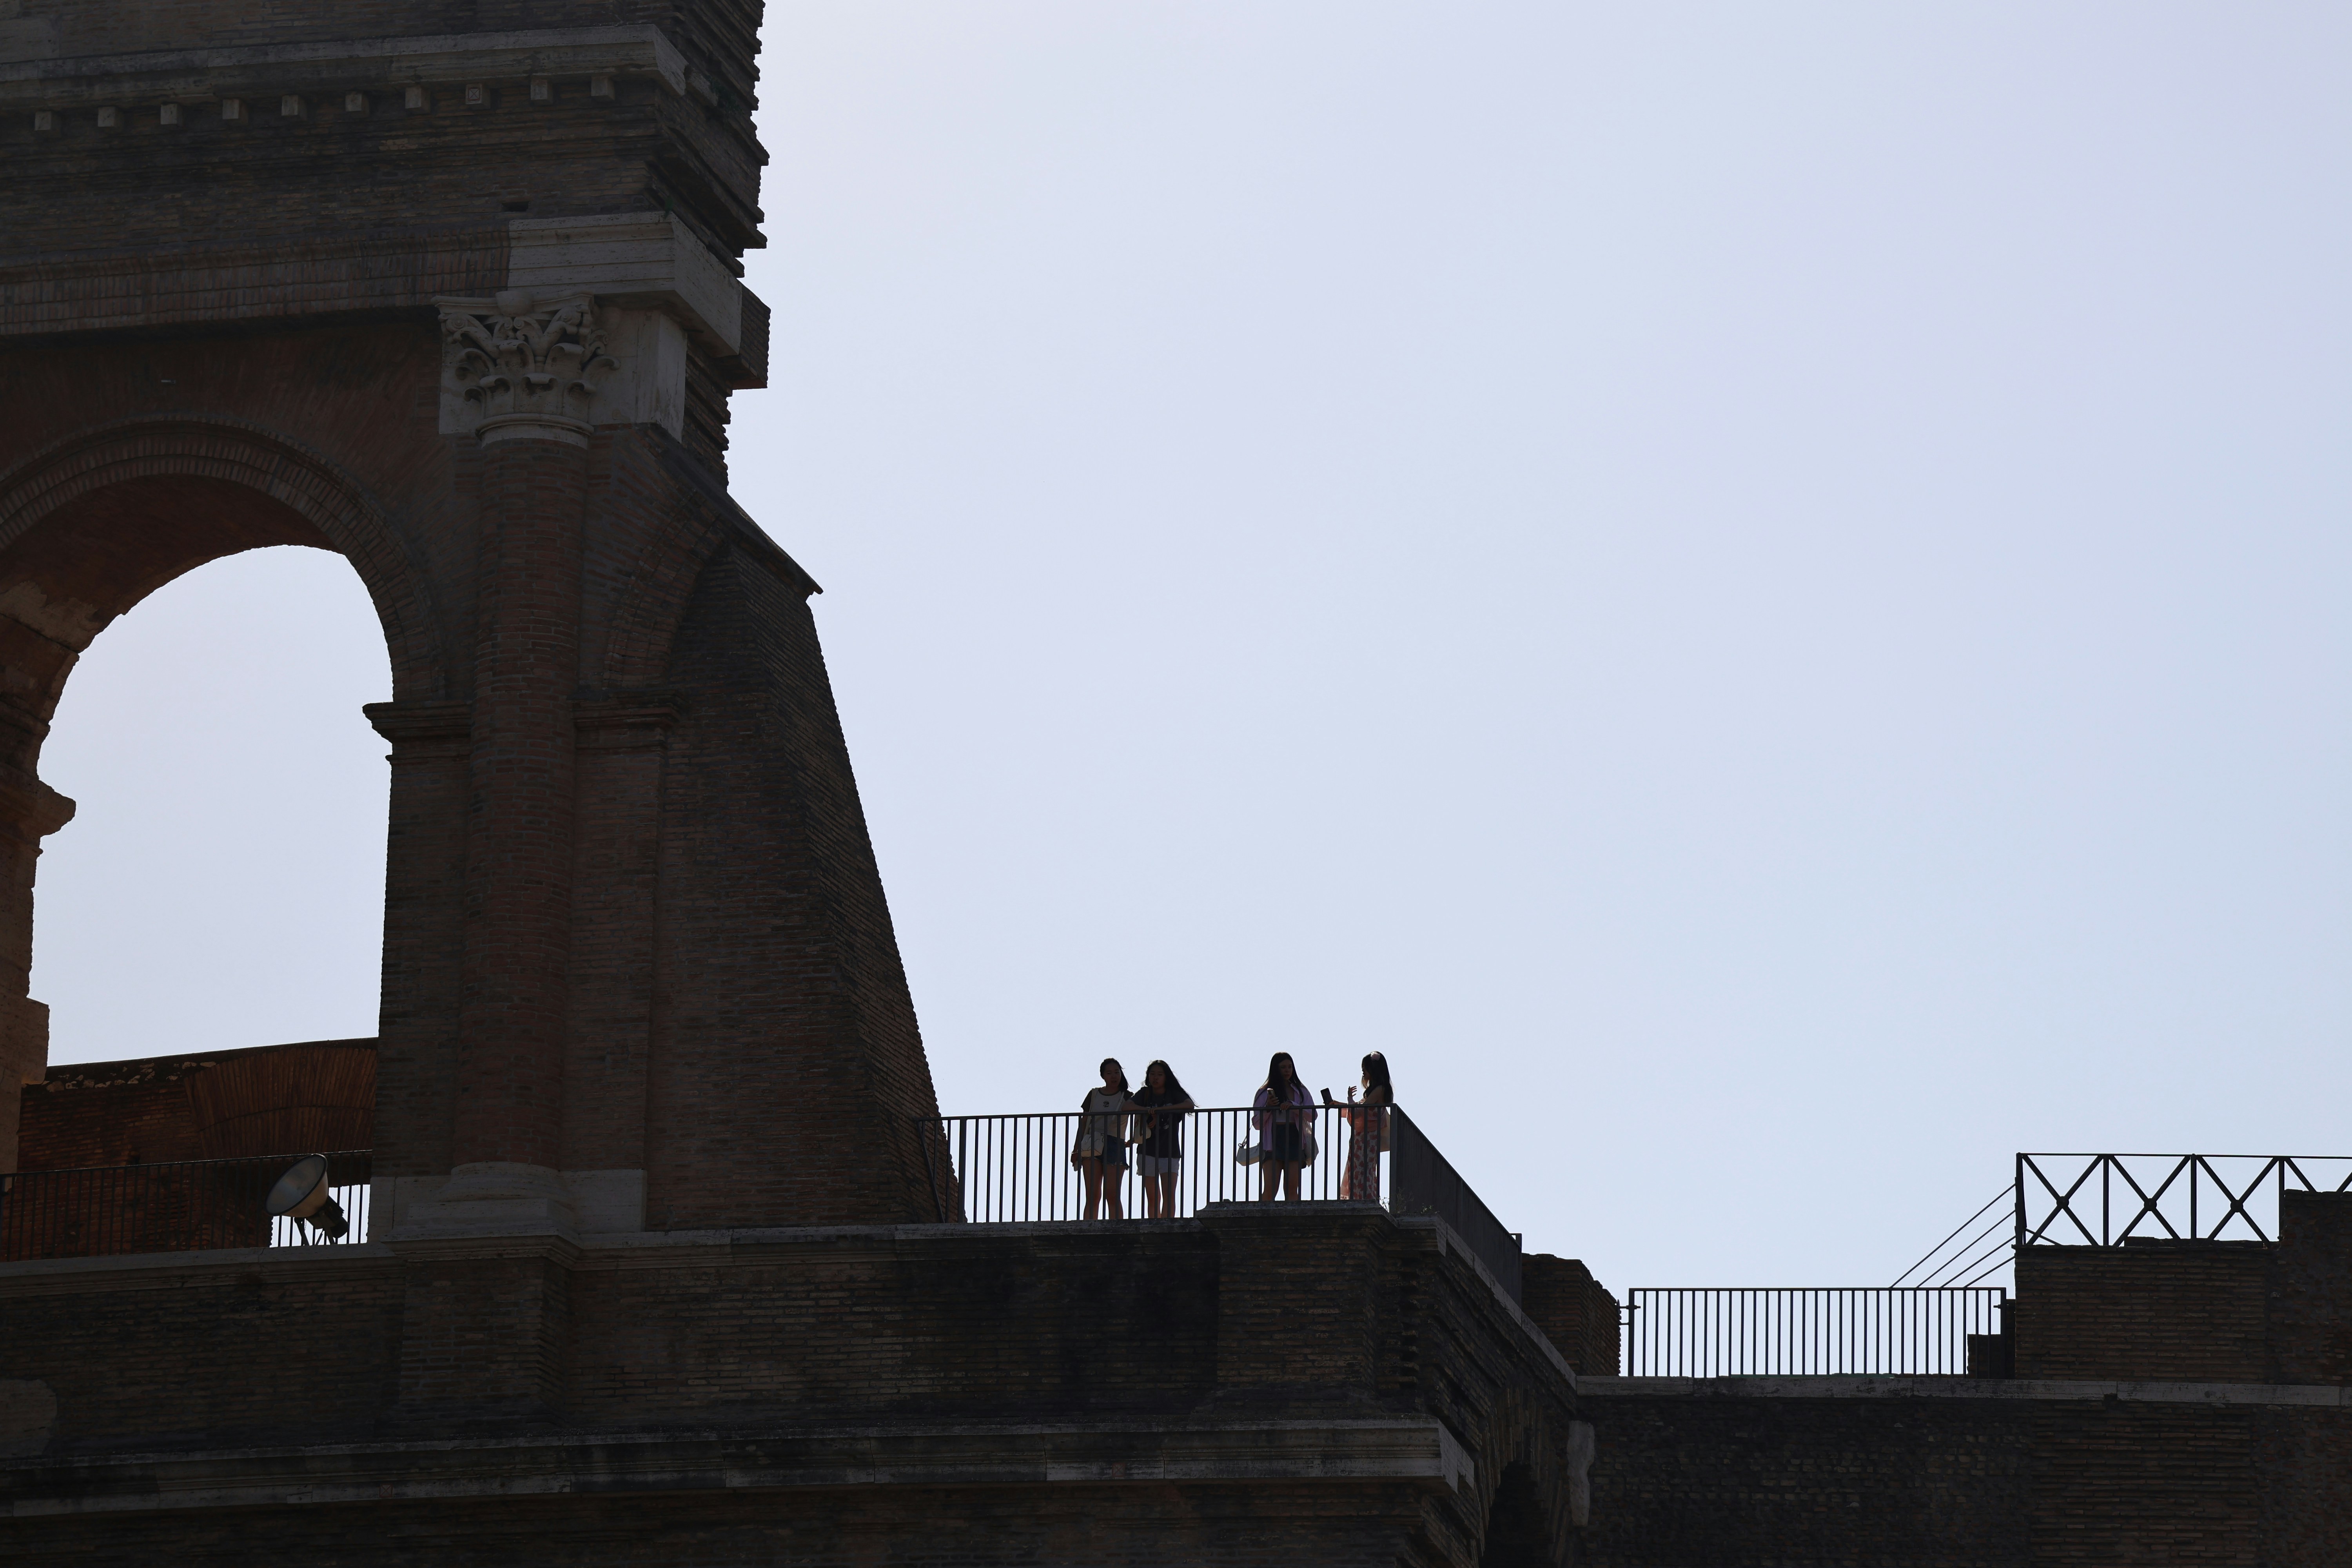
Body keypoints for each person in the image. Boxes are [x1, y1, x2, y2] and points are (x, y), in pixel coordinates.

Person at [1323, 1051, 1393, 1202]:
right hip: (1363, 1137)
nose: (1363, 1070)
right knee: (1358, 1170)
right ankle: (1360, 1199)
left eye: (1365, 1067)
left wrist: (1349, 1099)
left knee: (1364, 1170)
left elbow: (1360, 1110)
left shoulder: (1380, 1089)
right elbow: (1359, 1108)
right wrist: (1338, 1104)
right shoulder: (1376, 1090)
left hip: (1368, 1137)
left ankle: (1365, 1200)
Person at [1129, 1060, 1194, 1219]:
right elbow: (1127, 1107)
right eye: (1152, 1074)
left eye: (1159, 1075)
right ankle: (1154, 1224)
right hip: (1147, 1150)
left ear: (1166, 1077)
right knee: (1152, 1197)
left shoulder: (1174, 1093)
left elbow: (1189, 1105)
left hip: (1170, 1150)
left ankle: (1168, 1225)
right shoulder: (1144, 1093)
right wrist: (1149, 1111)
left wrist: (1160, 1110)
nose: (1155, 1078)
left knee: (1169, 1194)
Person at [1070, 1058, 1133, 1219]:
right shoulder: (1094, 1095)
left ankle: (1117, 1230)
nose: (1114, 1076)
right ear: (1103, 1076)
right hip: (1092, 1143)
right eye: (1109, 1073)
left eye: (1117, 1072)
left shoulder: (1128, 1096)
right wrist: (1076, 1149)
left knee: (1112, 1195)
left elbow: (1141, 1118)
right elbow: (1084, 1123)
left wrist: (1134, 1139)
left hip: (1115, 1143)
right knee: (1092, 1195)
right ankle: (1089, 1230)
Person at [1252, 1051, 1315, 1202]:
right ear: (1276, 1069)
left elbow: (1313, 1115)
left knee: (1292, 1187)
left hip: (1294, 1136)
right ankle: (1264, 1221)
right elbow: (1257, 1124)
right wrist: (1268, 1108)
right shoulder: (1263, 1092)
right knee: (1271, 1188)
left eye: (1290, 1067)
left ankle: (1294, 1222)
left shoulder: (1300, 1090)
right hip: (1273, 1139)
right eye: (1283, 1067)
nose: (1287, 1071)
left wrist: (1294, 1106)